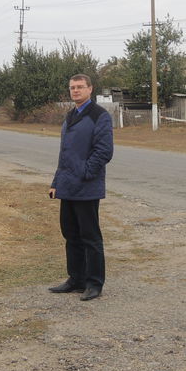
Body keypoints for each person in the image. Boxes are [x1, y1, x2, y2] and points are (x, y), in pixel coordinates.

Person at [48, 74, 114, 301]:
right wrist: (56, 183)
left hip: (86, 187)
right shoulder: (70, 115)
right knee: (71, 234)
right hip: (67, 186)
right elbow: (64, 154)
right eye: (72, 88)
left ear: (90, 89)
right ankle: (76, 279)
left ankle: (94, 283)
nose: (75, 91)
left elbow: (104, 151)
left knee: (90, 237)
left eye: (79, 87)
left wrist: (86, 173)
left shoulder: (99, 116)